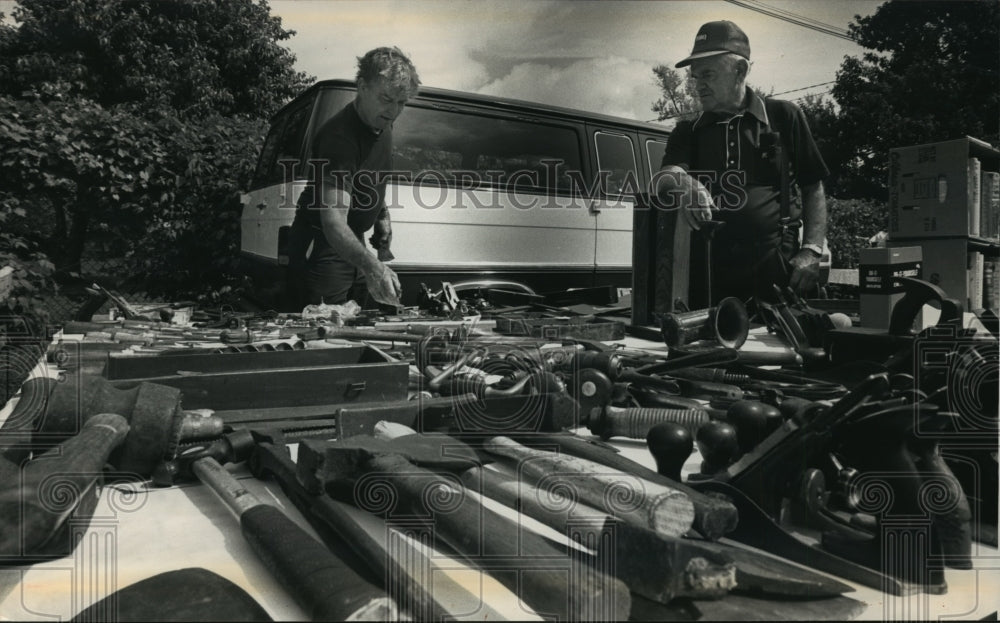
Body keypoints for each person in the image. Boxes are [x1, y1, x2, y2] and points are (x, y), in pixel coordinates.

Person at [653, 20, 829, 306]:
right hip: (709, 274)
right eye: (695, 77)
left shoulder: (784, 116)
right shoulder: (688, 131)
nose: (698, 85)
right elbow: (664, 178)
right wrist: (684, 183)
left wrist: (811, 250)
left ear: (741, 70)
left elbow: (813, 186)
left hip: (777, 269)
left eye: (707, 74)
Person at [285, 46, 420, 310]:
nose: (393, 111)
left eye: (401, 103)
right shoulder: (340, 138)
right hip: (324, 242)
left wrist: (381, 213)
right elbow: (334, 222)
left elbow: (368, 175)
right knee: (324, 325)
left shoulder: (381, 120)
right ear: (362, 87)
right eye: (386, 98)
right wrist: (375, 267)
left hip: (353, 239)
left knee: (358, 317)